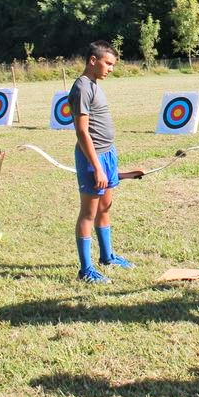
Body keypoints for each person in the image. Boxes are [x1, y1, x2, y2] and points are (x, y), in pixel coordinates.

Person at [69, 40, 133, 283]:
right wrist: (96, 166)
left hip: (107, 154)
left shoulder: (94, 84)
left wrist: (120, 172)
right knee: (89, 212)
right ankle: (85, 270)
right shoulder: (82, 88)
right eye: (108, 63)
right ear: (93, 61)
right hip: (91, 157)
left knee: (105, 207)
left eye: (113, 64)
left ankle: (107, 256)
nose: (111, 69)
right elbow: (82, 132)